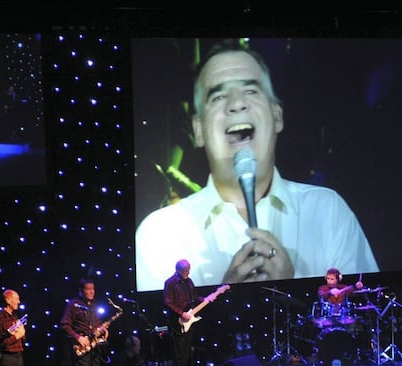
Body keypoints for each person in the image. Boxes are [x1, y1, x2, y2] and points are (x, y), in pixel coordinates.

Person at [134, 39, 378, 290]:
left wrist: (293, 289)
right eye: (218, 96)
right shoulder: (158, 236)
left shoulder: (328, 213)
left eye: (251, 91)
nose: (236, 104)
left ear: (277, 116)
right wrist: (225, 298)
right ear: (198, 130)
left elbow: (364, 305)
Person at [60, 277, 110, 366]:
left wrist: (103, 330)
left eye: (93, 289)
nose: (92, 292)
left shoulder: (94, 305)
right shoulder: (73, 305)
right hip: (82, 345)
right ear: (81, 290)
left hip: (94, 345)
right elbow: (64, 324)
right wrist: (78, 337)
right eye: (88, 289)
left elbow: (96, 324)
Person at [164, 259, 210, 366]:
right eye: (185, 270)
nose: (188, 273)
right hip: (177, 322)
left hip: (188, 320)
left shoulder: (189, 282)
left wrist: (205, 299)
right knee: (178, 351)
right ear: (178, 270)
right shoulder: (170, 283)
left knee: (185, 351)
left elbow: (194, 297)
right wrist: (181, 313)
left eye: (189, 270)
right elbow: (168, 302)